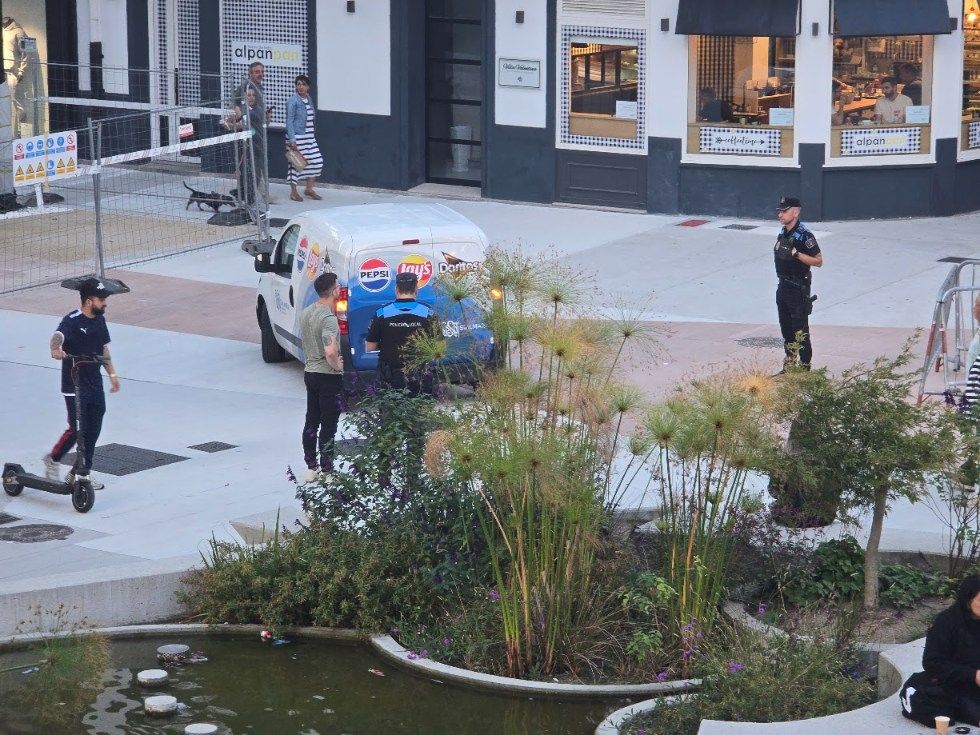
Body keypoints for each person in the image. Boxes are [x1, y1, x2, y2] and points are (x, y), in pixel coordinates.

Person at [43, 279, 121, 490]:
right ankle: (53, 458)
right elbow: (58, 336)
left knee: (93, 429)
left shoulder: (99, 320)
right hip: (73, 383)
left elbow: (104, 351)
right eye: (101, 299)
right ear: (88, 301)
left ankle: (81, 471)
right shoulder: (72, 319)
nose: (105, 303)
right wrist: (55, 349)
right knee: (77, 428)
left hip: (94, 383)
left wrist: (113, 375)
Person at [299, 272, 344, 483]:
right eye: (338, 286)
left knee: (311, 420)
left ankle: (311, 466)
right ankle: (327, 469)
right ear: (333, 290)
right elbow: (330, 351)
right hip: (327, 375)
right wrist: (337, 367)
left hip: (310, 372)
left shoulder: (306, 313)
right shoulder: (328, 319)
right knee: (328, 424)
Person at [919, 574, 980, 725]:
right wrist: (973, 675)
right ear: (968, 600)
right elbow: (932, 663)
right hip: (955, 687)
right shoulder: (946, 622)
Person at [365, 272, 437, 392]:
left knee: (392, 410)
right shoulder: (428, 313)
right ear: (416, 289)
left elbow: (370, 346)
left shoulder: (381, 313)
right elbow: (439, 346)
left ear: (396, 289)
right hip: (421, 378)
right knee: (421, 409)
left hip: (391, 378)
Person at [774, 196, 823, 371]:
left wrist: (797, 254)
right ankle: (789, 368)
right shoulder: (783, 232)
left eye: (784, 211)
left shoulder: (805, 235)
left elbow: (818, 261)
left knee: (800, 331)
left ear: (795, 212)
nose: (780, 214)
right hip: (783, 286)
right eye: (779, 211)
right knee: (787, 330)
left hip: (797, 288)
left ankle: (804, 368)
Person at [285, 74, 323, 203]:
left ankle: (308, 189)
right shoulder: (293, 100)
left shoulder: (308, 98)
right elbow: (289, 121)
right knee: (296, 165)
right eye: (298, 84)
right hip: (297, 137)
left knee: (317, 161)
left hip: (309, 137)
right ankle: (294, 192)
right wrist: (292, 140)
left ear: (308, 87)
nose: (300, 87)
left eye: (303, 84)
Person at [225, 87, 264, 207]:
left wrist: (232, 123)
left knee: (255, 174)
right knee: (244, 173)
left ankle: (247, 197)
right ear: (244, 98)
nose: (251, 97)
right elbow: (227, 123)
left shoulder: (257, 110)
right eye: (249, 95)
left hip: (257, 146)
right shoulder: (242, 110)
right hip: (245, 147)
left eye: (253, 95)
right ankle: (244, 196)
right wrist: (233, 123)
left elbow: (250, 123)